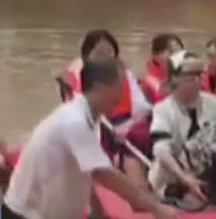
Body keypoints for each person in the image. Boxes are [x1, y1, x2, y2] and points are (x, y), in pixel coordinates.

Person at [2, 60, 183, 219]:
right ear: (99, 87)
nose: (123, 95)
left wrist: (96, 206)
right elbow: (102, 172)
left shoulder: (92, 120)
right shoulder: (73, 121)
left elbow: (85, 167)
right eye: (120, 88)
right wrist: (154, 206)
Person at [64, 29, 152, 187]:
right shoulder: (80, 74)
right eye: (99, 52)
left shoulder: (124, 74)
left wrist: (126, 130)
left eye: (109, 52)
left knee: (133, 150)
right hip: (97, 128)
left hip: (126, 128)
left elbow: (141, 107)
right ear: (87, 54)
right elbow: (81, 110)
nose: (104, 56)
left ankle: (141, 193)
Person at [149, 52, 216, 203]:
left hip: (211, 174)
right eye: (191, 75)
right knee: (193, 201)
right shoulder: (163, 109)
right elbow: (162, 151)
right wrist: (185, 178)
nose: (198, 80)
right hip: (173, 177)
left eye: (200, 75)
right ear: (174, 79)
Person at [141, 33, 184, 104]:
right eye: (171, 52)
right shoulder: (149, 81)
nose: (178, 56)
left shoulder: (195, 74)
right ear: (155, 56)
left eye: (180, 51)